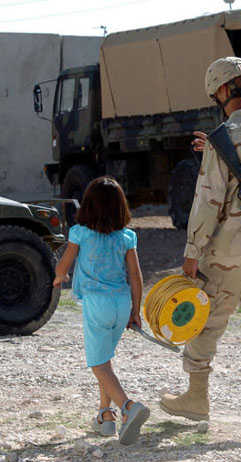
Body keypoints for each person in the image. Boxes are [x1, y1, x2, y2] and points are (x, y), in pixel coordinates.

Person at [160, 57, 241, 440]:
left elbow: (209, 199)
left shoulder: (224, 137)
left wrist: (192, 250)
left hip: (229, 250)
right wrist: (214, 155)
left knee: (205, 320)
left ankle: (196, 398)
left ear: (221, 90)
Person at [53, 176, 150, 445]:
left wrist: (58, 277)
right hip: (121, 303)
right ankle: (105, 417)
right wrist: (135, 311)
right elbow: (136, 275)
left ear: (88, 205)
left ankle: (128, 407)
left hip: (97, 304)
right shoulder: (127, 236)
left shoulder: (79, 233)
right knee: (105, 359)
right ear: (121, 206)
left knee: (97, 363)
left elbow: (63, 267)